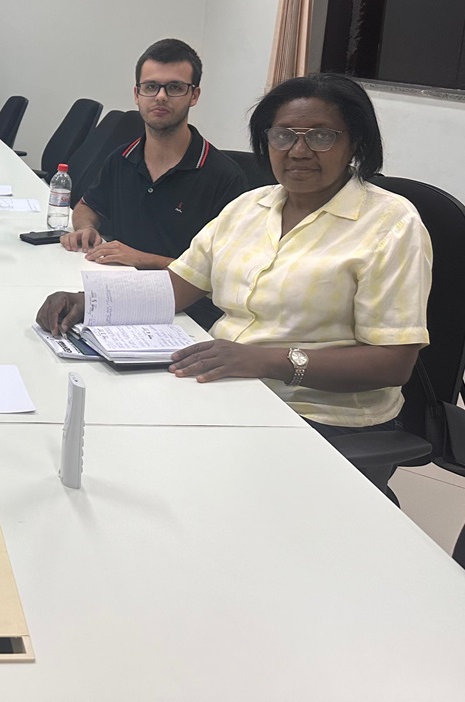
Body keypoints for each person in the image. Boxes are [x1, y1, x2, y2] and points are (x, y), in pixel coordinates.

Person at [38, 73, 432, 492]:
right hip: (228, 389)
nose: (298, 151)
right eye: (283, 136)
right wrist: (89, 300)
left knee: (179, 488)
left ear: (355, 144)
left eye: (321, 136)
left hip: (322, 419)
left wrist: (264, 360)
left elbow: (393, 362)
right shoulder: (249, 207)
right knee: (112, 452)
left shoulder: (391, 224)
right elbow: (179, 286)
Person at [62, 39, 245, 270]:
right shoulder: (121, 159)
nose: (160, 96)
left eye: (175, 87)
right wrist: (86, 228)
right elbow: (87, 206)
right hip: (116, 283)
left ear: (194, 95)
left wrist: (143, 260)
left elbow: (223, 270)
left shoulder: (224, 177)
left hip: (179, 293)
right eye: (150, 87)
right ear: (137, 94)